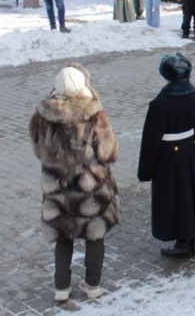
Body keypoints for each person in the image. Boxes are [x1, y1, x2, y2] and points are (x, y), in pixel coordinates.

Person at [30, 64, 118, 302]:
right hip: (90, 190)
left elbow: (39, 150)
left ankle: (61, 288)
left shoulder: (42, 115)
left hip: (58, 189)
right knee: (94, 235)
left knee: (63, 238)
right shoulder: (94, 113)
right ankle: (93, 285)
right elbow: (108, 152)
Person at [137, 53, 195, 258]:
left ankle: (184, 242)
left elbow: (150, 141)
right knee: (191, 194)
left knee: (176, 198)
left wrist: (145, 170)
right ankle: (191, 238)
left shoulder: (159, 104)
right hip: (191, 152)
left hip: (168, 158)